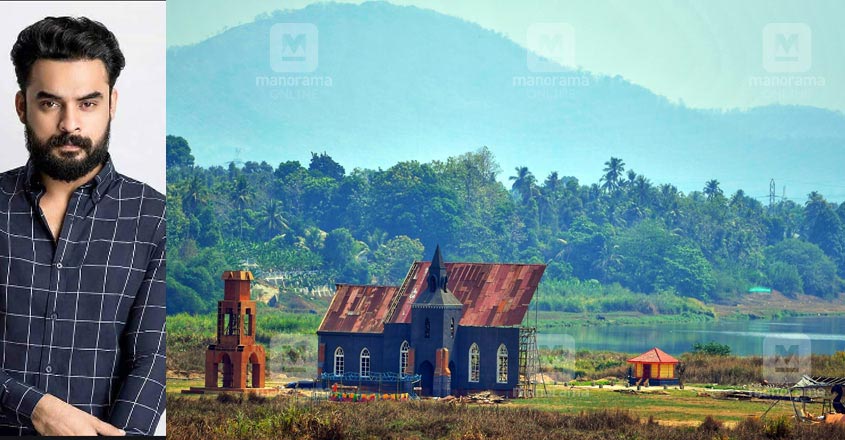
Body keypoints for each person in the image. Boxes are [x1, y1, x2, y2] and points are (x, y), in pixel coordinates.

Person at [0, 16, 165, 435]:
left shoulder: (155, 218)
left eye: (87, 104)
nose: (69, 124)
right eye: (50, 103)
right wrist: (36, 408)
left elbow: (152, 360)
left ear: (112, 104)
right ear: (22, 106)